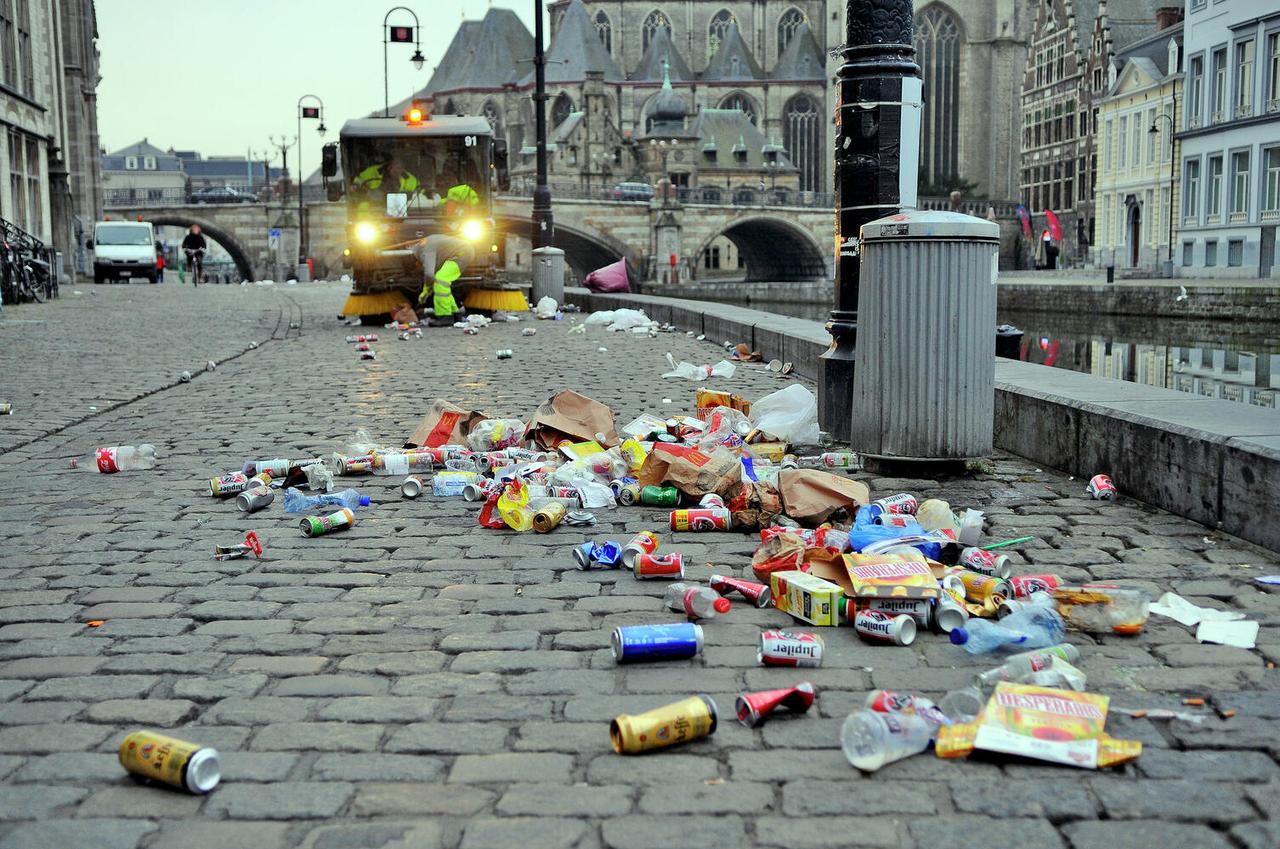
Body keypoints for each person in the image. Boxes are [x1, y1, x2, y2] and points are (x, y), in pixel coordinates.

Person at [414, 234, 474, 327]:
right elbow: (431, 276)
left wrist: (425, 293)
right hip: (463, 251)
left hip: (461, 253)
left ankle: (445, 316)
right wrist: (426, 291)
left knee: (440, 280)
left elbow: (429, 274)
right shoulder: (428, 244)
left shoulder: (425, 251)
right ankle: (455, 314)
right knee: (443, 283)